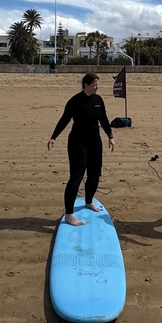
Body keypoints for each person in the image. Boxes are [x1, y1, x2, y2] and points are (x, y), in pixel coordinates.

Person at [47, 73, 115, 226]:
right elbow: (64, 119)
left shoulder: (98, 100)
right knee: (77, 176)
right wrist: (54, 137)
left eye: (98, 84)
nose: (97, 87)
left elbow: (103, 119)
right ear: (86, 85)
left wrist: (110, 136)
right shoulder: (75, 101)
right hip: (78, 142)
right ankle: (69, 214)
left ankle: (89, 201)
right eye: (95, 84)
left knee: (95, 174)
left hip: (95, 141)